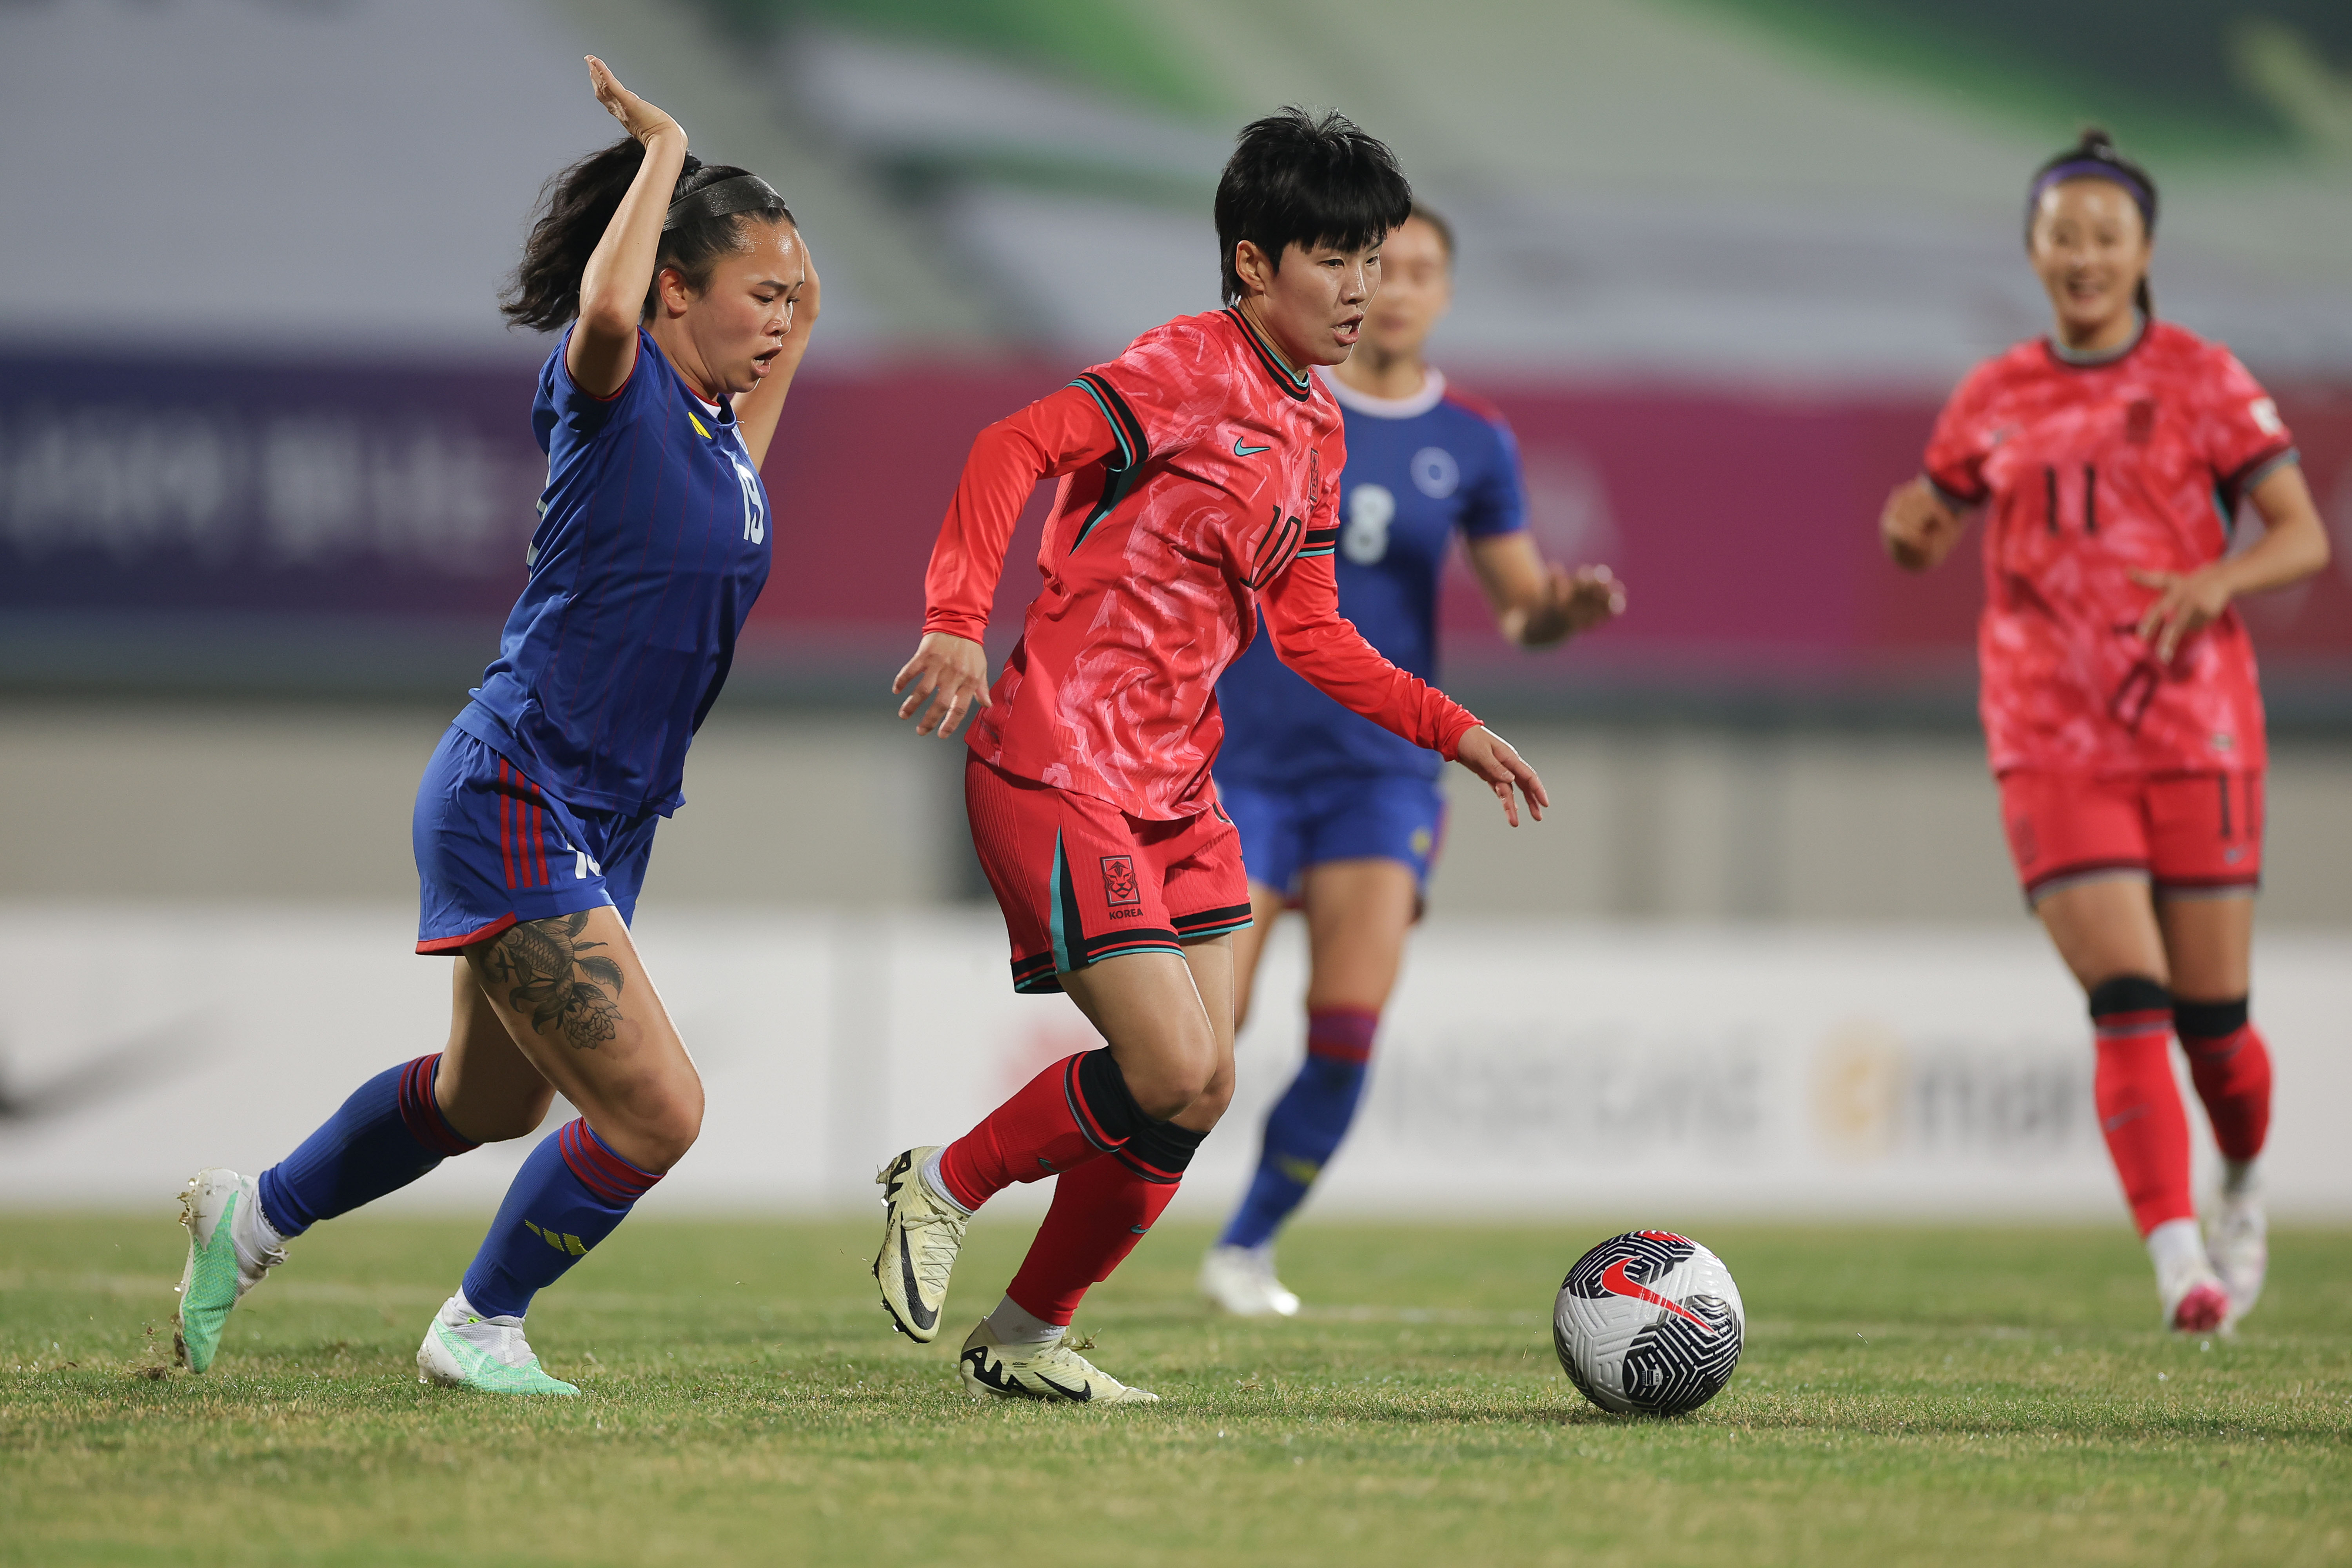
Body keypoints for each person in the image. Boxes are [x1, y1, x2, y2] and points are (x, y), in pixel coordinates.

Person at [880, 108, 1548, 1404]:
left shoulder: (1316, 429)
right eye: (1331, 257)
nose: (1359, 287)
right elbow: (1009, 447)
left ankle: (1024, 1337)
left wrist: (1451, 727)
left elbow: (1312, 635)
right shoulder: (1184, 366)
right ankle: (941, 1179)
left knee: (1200, 1087)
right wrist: (956, 622)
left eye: (1373, 258)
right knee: (1174, 1066)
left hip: (1177, 788)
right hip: (1059, 759)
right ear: (1253, 263)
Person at [172, 57, 817, 1393]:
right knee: (658, 1111)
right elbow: (604, 303)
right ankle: (478, 1322)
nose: (781, 316)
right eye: (757, 291)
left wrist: (783, 270)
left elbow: (780, 317)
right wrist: (667, 152)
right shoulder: (615, 384)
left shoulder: (724, 441)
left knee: (489, 1103)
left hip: (601, 813)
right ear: (675, 290)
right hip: (517, 786)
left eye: (788, 295)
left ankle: (258, 1214)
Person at [1880, 128, 2327, 1334]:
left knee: (2213, 1027)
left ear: (2141, 250)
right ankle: (2177, 1261)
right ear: (2032, 248)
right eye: (2060, 233)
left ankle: (2236, 1179)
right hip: (2046, 729)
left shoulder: (2200, 377)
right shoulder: (1991, 395)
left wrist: (2213, 583)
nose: (2081, 254)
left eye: (2103, 234)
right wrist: (1910, 532)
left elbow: (2297, 533)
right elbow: (1927, 525)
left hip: (2194, 728)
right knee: (2124, 996)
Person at [1198, 207, 1625, 1317]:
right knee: (1203, 1037)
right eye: (1371, 264)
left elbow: (1521, 609)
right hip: (1241, 757)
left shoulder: (1474, 440)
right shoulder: (1274, 401)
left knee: (1345, 1029)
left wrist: (1561, 610)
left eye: (1418, 268)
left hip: (1382, 775)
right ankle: (1090, 1225)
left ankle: (1245, 1248)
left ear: (1444, 293)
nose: (1391, 287)